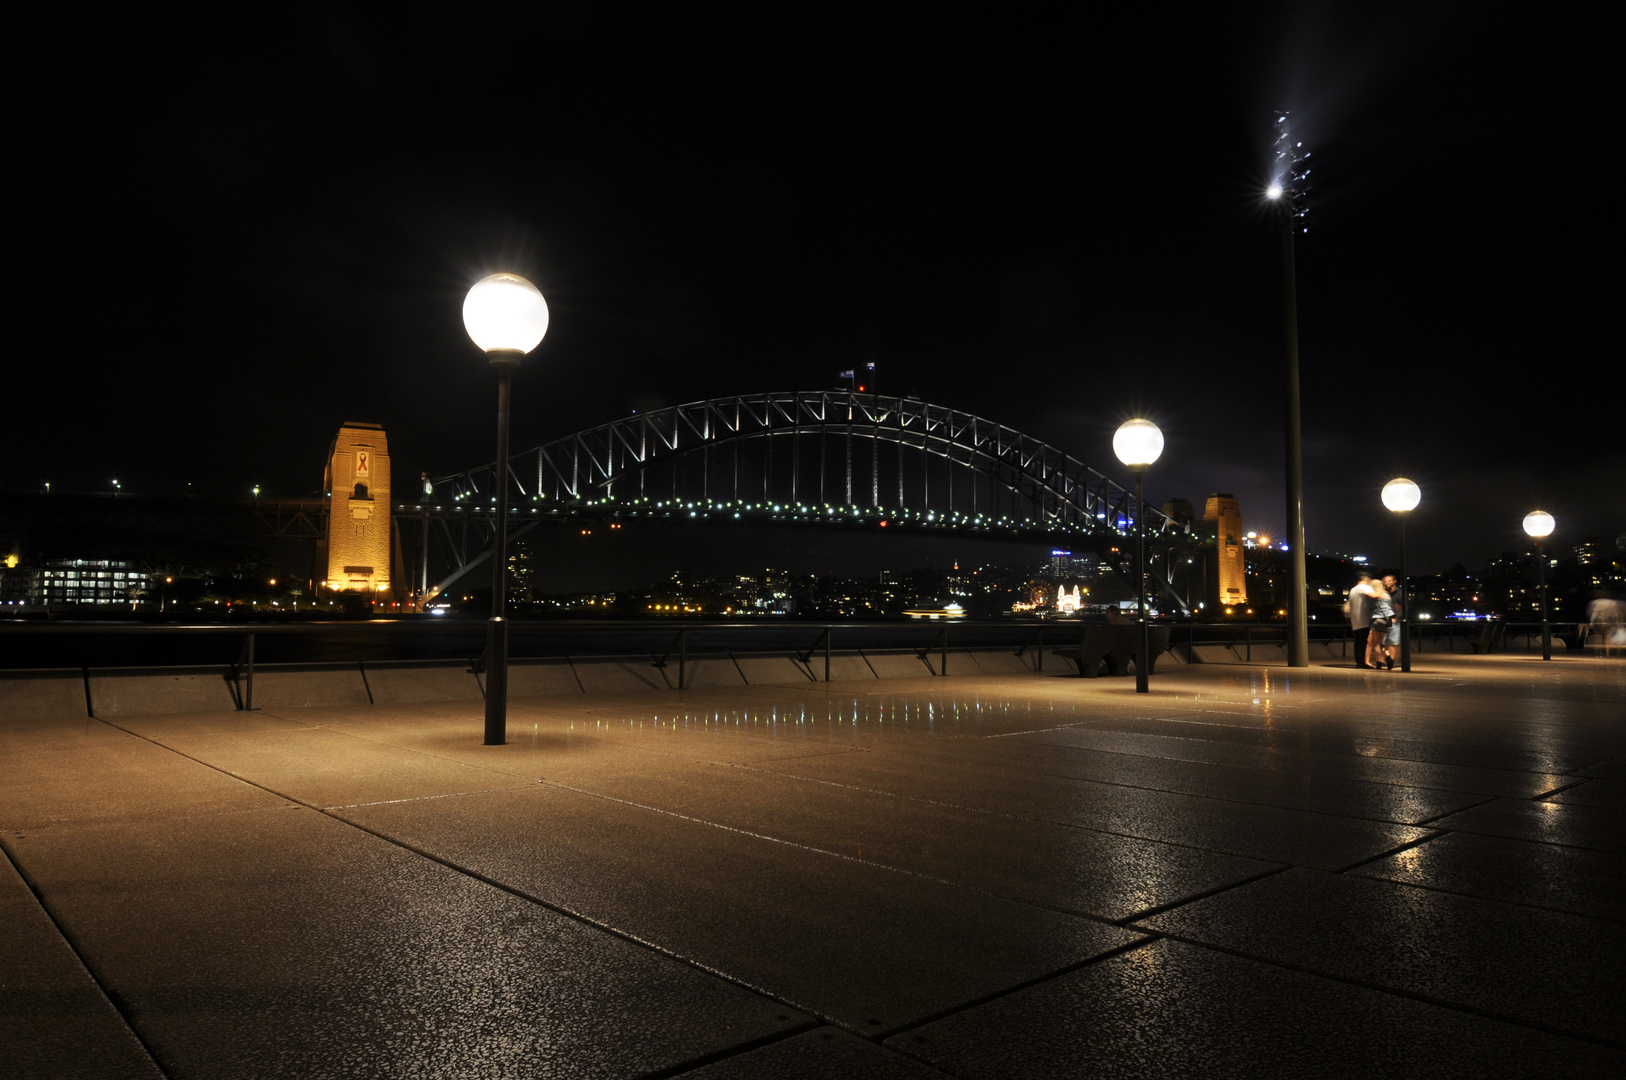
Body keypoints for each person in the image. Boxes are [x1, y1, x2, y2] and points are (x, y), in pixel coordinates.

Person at [1347, 572, 1376, 668]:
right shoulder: (1364, 587)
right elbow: (1374, 596)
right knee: (1363, 642)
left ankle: (1358, 661)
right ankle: (1362, 662)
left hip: (1355, 620)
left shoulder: (1353, 590)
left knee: (1358, 641)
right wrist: (1382, 593)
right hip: (1364, 619)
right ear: (1367, 579)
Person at [1367, 577, 1397, 670]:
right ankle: (1388, 656)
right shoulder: (1387, 596)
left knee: (1376, 643)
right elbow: (1391, 607)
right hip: (1386, 620)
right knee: (1383, 643)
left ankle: (1379, 663)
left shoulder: (1373, 596)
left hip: (1376, 620)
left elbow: (1369, 608)